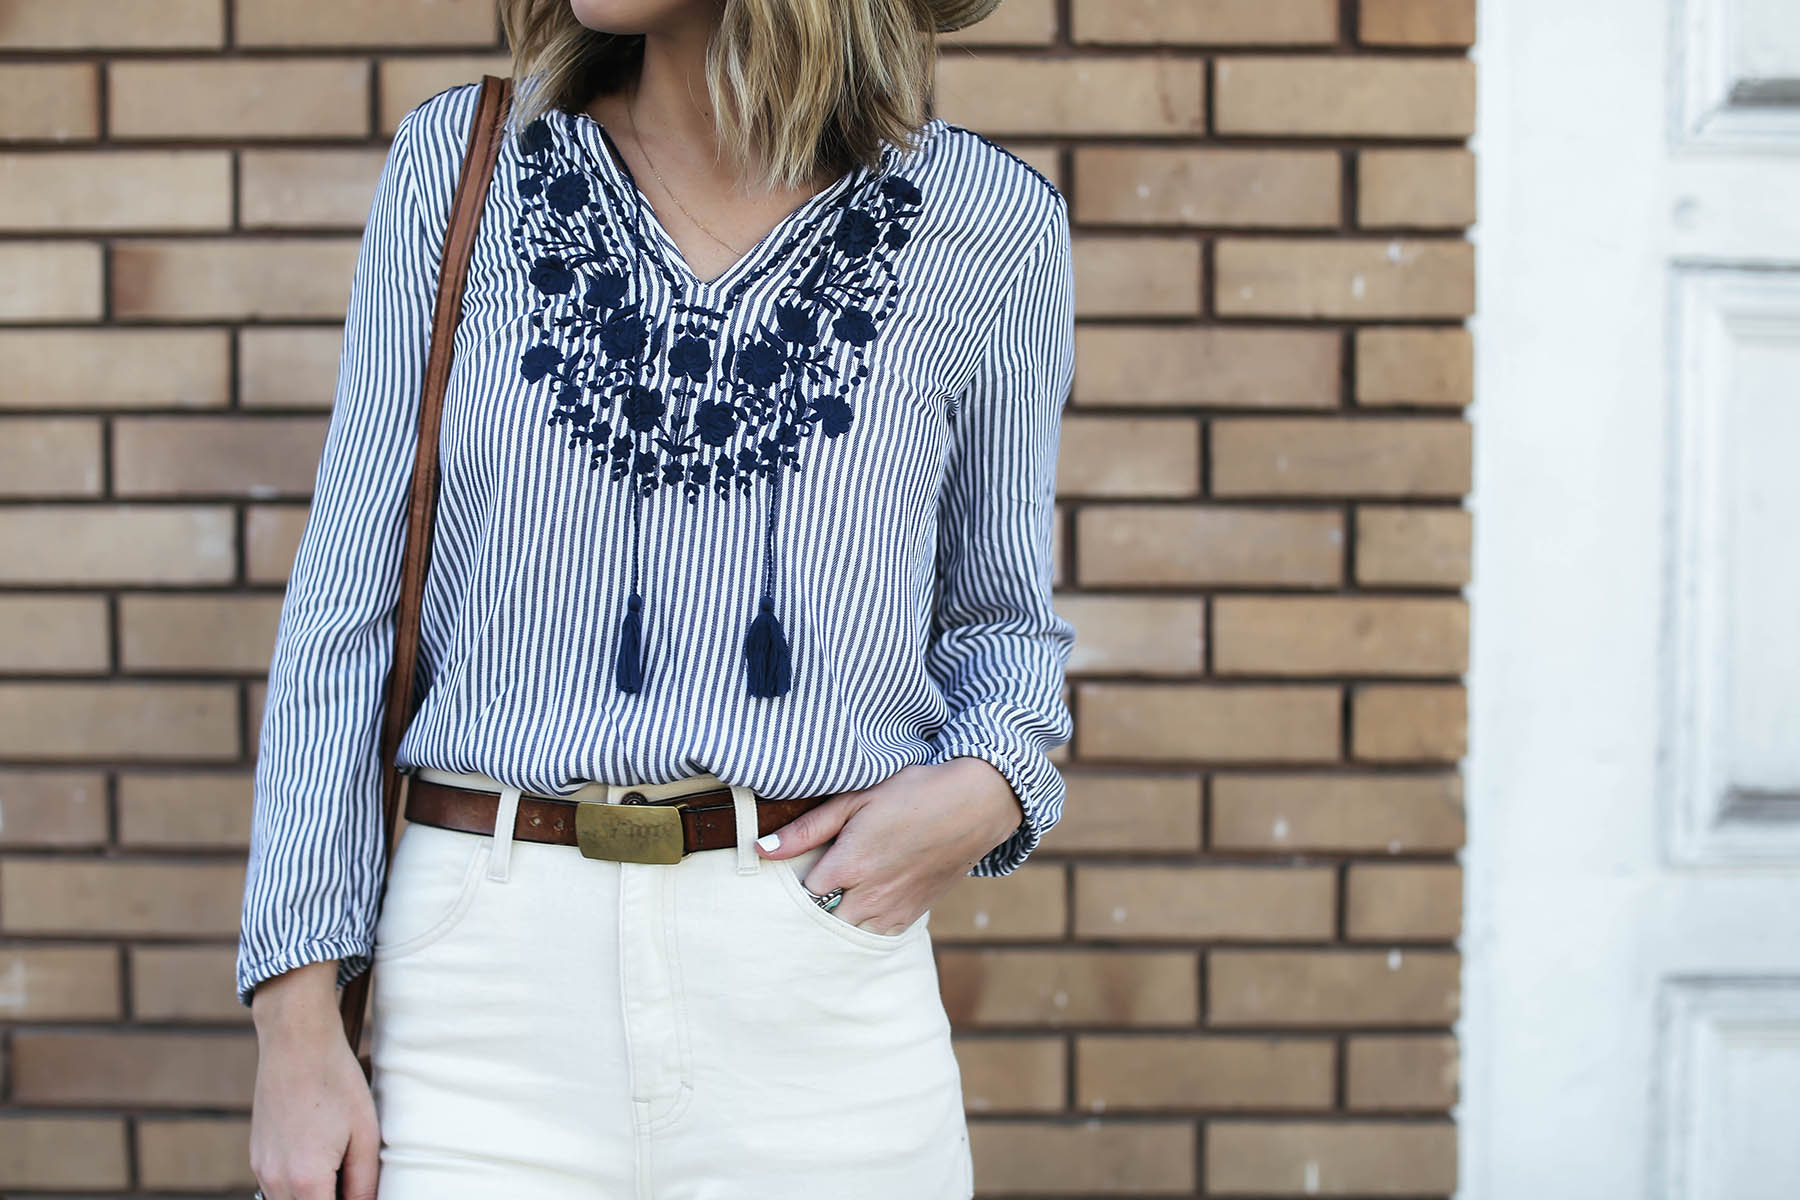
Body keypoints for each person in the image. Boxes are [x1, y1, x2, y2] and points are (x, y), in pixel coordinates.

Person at [237, 0, 1075, 1196]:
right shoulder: (469, 168)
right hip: (478, 1004)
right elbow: (343, 611)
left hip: (815, 1001)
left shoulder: (990, 229)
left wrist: (994, 785)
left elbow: (1003, 622)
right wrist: (296, 1024)